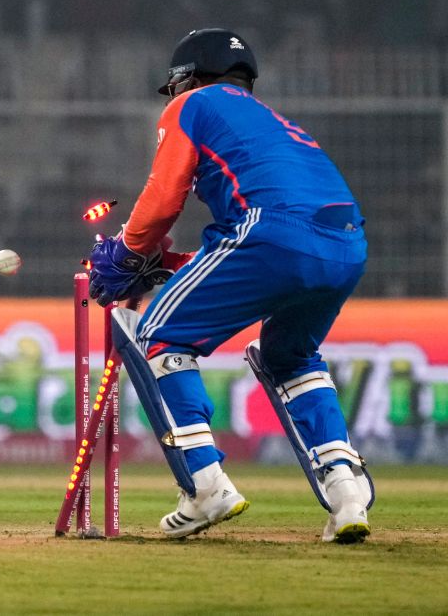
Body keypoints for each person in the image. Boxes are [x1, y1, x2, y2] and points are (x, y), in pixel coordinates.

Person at [88, 28, 373, 543]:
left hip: (270, 235)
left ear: (189, 78)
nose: (171, 97)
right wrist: (167, 262)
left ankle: (205, 485)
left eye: (173, 86)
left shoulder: (193, 104)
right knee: (291, 357)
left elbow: (163, 199)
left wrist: (129, 251)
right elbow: (272, 241)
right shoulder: (274, 123)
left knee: (159, 335)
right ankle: (346, 492)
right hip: (347, 244)